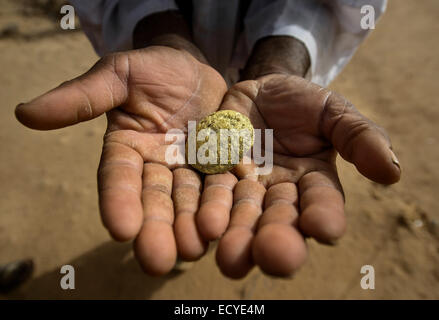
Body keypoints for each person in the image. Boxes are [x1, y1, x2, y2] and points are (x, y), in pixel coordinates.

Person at [14, 0, 400, 278]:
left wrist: (277, 64)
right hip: (169, 88)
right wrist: (165, 37)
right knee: (197, 199)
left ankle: (206, 228)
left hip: (268, 95)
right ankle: (197, 233)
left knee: (241, 188)